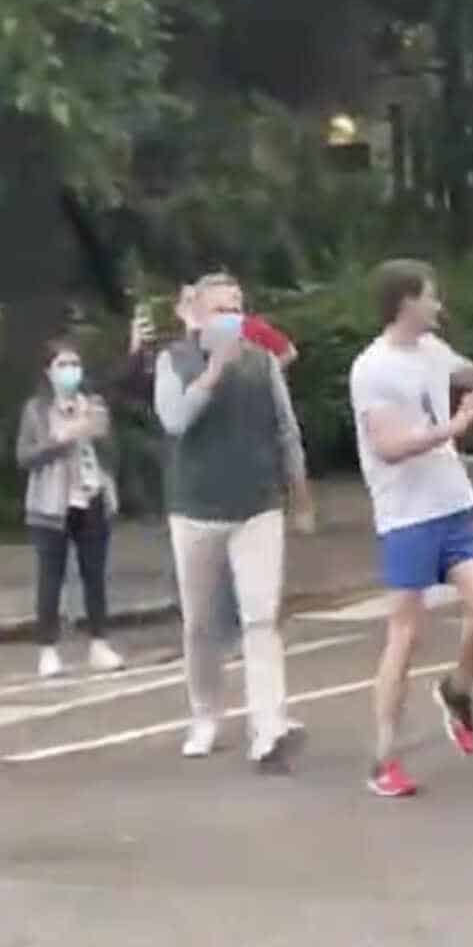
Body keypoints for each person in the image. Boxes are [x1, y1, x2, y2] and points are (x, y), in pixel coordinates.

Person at [350, 259, 473, 798]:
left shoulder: (432, 352)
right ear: (405, 302)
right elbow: (388, 447)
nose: (439, 305)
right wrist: (456, 428)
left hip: (453, 506)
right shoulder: (373, 369)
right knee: (405, 634)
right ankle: (384, 757)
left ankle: (457, 689)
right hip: (406, 517)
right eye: (431, 296)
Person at [154, 277, 314, 771]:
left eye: (237, 307)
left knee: (261, 617)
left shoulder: (262, 363)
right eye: (220, 307)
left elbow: (286, 430)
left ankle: (268, 729)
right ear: (198, 314)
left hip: (258, 506)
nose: (230, 316)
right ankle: (205, 714)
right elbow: (175, 420)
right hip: (195, 509)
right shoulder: (175, 361)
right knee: (201, 622)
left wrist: (300, 496)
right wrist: (212, 373)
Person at [15, 339, 127, 678]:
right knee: (51, 578)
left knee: (95, 576)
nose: (70, 372)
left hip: (92, 497)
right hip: (52, 504)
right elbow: (25, 456)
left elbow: (113, 453)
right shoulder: (36, 410)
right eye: (62, 365)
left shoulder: (91, 403)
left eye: (75, 364)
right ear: (48, 371)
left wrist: (98, 433)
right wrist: (61, 439)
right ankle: (48, 650)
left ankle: (99, 643)